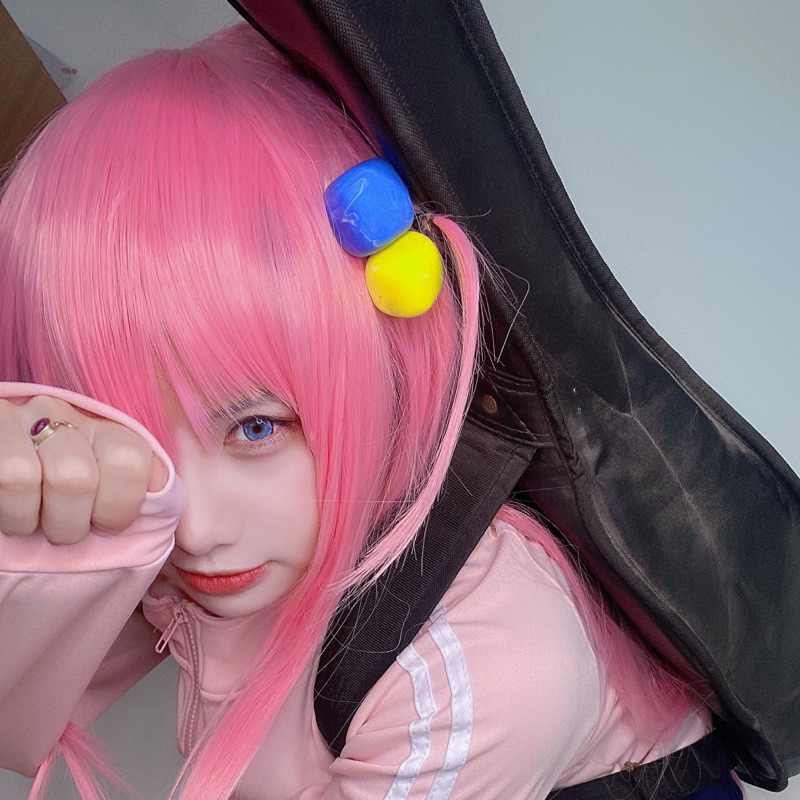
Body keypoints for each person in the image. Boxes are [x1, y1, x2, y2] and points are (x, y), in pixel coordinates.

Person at [0, 23, 723, 800]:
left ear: (373, 366)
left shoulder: (475, 669)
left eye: (256, 427)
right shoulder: (190, 519)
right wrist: (27, 522)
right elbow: (17, 718)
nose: (198, 529)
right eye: (136, 435)